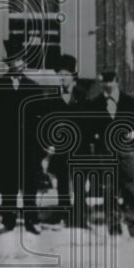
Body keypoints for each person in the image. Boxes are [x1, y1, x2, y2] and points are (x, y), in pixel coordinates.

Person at [0, 38, 46, 234]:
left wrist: (42, 142)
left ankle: (31, 220)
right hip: (5, 141)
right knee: (8, 183)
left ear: (24, 62)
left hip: (28, 143)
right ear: (8, 64)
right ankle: (8, 220)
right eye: (12, 61)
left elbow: (41, 117)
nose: (17, 64)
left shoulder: (34, 87)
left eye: (19, 60)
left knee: (29, 184)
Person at [87, 71, 134, 235]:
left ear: (117, 82)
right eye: (103, 82)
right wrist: (96, 136)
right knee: (109, 190)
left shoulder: (129, 102)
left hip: (126, 151)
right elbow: (88, 128)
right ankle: (114, 227)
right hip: (105, 152)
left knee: (131, 189)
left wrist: (133, 134)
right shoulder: (96, 104)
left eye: (110, 81)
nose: (107, 85)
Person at [37, 54, 90, 227]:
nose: (62, 77)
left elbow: (88, 122)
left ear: (73, 76)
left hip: (80, 146)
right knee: (62, 180)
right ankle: (63, 212)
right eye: (59, 74)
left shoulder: (82, 97)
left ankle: (80, 216)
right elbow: (46, 121)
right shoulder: (53, 98)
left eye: (66, 74)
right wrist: (49, 143)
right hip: (61, 146)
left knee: (79, 181)